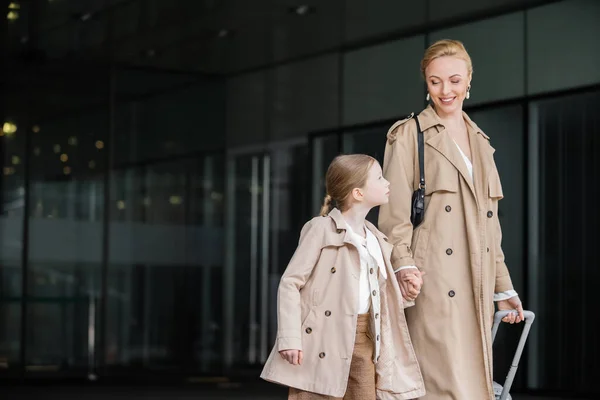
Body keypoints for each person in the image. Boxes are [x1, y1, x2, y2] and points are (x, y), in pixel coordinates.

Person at [378, 39, 525, 400]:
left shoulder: (481, 142)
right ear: (426, 84)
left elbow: (491, 226)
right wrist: (403, 267)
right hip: (430, 282)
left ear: (469, 81)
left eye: (455, 80)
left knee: (472, 386)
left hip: (476, 282)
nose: (446, 91)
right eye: (435, 81)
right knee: (440, 386)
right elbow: (393, 217)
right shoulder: (409, 135)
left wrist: (502, 288)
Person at [261, 154, 425, 400]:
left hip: (366, 339)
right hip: (321, 340)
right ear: (358, 193)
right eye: (379, 178)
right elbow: (290, 283)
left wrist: (406, 292)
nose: (387, 183)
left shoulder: (376, 238)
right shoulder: (320, 229)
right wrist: (290, 338)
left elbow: (375, 294)